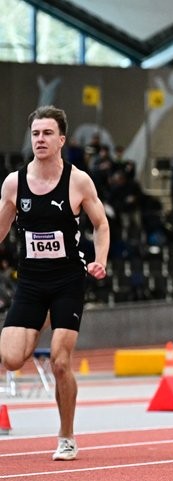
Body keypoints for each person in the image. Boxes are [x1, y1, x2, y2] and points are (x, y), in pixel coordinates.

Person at [0, 105, 110, 460]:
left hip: (68, 281)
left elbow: (101, 224)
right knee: (12, 357)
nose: (40, 139)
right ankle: (37, 322)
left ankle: (66, 436)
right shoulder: (14, 183)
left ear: (61, 139)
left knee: (61, 362)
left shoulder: (78, 181)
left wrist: (100, 260)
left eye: (47, 133)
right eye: (35, 134)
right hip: (31, 282)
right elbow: (1, 228)